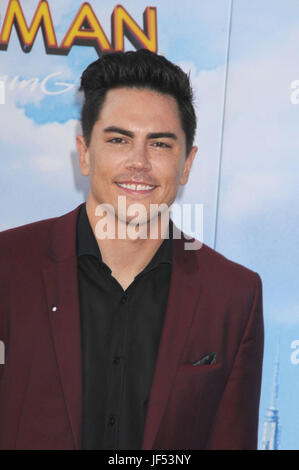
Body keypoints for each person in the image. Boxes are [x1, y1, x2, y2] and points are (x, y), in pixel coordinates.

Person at [0, 49, 264, 450]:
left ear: (187, 164)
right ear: (85, 152)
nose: (138, 163)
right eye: (119, 139)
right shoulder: (8, 267)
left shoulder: (233, 295)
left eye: (159, 144)